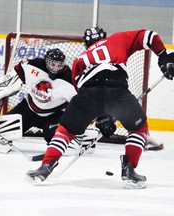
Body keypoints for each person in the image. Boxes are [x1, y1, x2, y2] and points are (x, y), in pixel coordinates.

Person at [26, 27, 174, 187]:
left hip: (88, 92)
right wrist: (163, 56)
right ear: (104, 37)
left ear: (86, 44)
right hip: (116, 88)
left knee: (65, 130)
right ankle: (129, 170)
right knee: (139, 128)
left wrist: (101, 117)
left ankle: (46, 166)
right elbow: (149, 35)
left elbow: (87, 93)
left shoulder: (79, 59)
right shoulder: (117, 39)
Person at [0, 48, 97, 154]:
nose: (55, 68)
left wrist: (95, 119)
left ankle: (78, 135)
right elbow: (13, 78)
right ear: (46, 61)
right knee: (1, 133)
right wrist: (3, 87)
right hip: (27, 109)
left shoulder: (70, 80)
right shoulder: (32, 65)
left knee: (54, 138)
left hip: (53, 116)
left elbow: (82, 105)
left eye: (59, 65)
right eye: (52, 64)